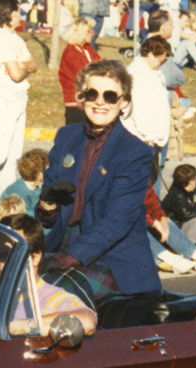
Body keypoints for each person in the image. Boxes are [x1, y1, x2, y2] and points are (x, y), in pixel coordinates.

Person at [36, 60, 161, 303]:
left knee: (50, 295)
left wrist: (69, 257)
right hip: (63, 244)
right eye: (92, 93)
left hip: (113, 258)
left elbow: (117, 221)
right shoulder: (66, 136)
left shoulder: (135, 152)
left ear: (123, 102)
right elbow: (45, 212)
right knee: (14, 283)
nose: (99, 102)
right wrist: (48, 204)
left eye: (110, 96)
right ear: (82, 97)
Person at [0, 214, 97, 336]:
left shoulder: (55, 300)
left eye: (11, 256)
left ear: (35, 258)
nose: (2, 266)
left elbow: (86, 321)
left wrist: (20, 327)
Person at [0, 0, 38, 218]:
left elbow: (33, 65)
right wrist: (22, 66)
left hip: (20, 96)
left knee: (13, 154)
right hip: (6, 96)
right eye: (17, 11)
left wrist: (21, 66)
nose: (20, 14)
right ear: (9, 14)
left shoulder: (15, 39)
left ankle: (7, 199)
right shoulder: (1, 39)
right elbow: (16, 74)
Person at [122, 36, 171, 157]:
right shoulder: (139, 74)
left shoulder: (151, 71)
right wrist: (149, 137)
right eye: (161, 61)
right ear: (150, 54)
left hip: (151, 138)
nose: (162, 64)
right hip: (142, 139)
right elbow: (140, 109)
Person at [58, 17, 101, 125]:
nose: (93, 34)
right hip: (76, 103)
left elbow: (101, 63)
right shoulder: (71, 52)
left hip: (89, 100)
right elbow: (85, 74)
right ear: (82, 33)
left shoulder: (87, 48)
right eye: (90, 31)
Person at [1, 148, 46, 217]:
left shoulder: (34, 188)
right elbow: (30, 218)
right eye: (48, 169)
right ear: (39, 173)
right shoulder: (20, 192)